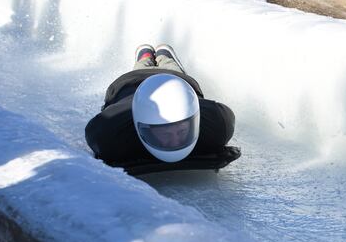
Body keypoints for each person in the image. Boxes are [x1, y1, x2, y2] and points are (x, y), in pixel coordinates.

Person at [85, 44, 236, 167]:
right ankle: (147, 55)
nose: (176, 142)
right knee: (143, 67)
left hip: (176, 81)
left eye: (182, 131)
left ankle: (162, 54)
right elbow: (100, 125)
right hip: (130, 83)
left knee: (170, 67)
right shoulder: (109, 135)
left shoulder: (217, 124)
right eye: (166, 134)